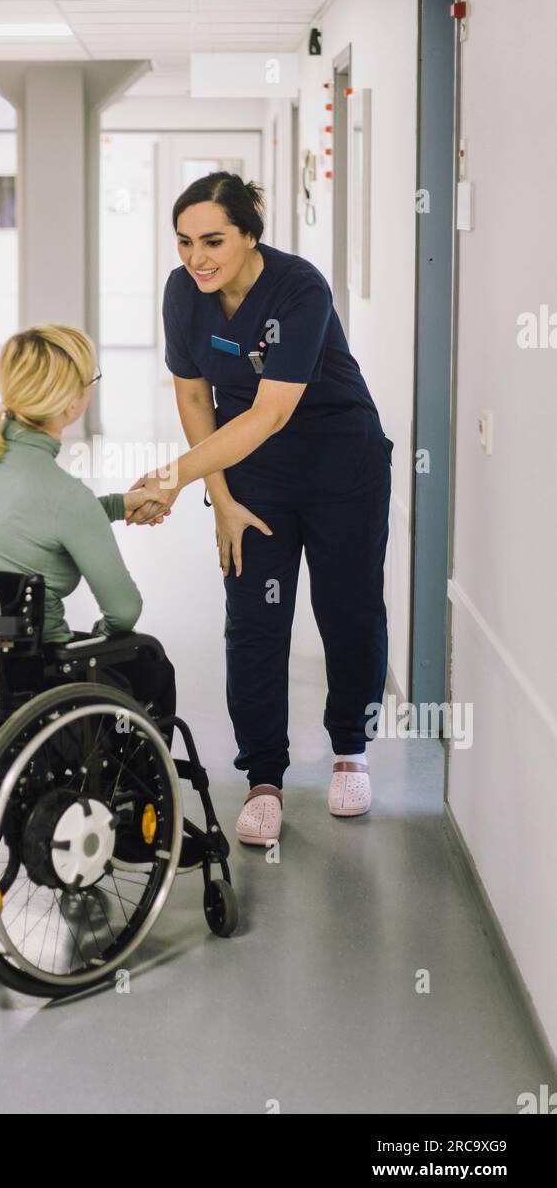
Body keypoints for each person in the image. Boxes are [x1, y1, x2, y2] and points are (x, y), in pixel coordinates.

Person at [127, 172, 393, 844]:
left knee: (348, 608)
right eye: (184, 242)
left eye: (213, 240)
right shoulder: (183, 295)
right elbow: (194, 400)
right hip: (253, 474)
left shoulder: (299, 288)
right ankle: (264, 778)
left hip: (341, 463)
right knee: (254, 621)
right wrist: (219, 498)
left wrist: (171, 477)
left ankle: (350, 752)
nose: (197, 257)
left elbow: (274, 410)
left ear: (250, 234)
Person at [0, 323, 176, 733]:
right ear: (70, 404)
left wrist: (117, 505)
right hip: (31, 677)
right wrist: (106, 637)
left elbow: (24, 522)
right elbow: (124, 610)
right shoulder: (67, 496)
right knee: (149, 664)